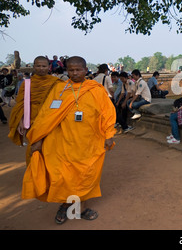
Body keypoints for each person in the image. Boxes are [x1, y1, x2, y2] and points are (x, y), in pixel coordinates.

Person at [22, 56, 116, 225]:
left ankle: (82, 208)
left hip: (89, 143)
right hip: (62, 142)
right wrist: (39, 138)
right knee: (63, 176)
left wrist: (109, 135)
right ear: (67, 70)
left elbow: (108, 113)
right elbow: (46, 115)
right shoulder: (59, 89)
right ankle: (65, 205)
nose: (74, 73)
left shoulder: (96, 89)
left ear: (85, 70)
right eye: (71, 70)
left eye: (78, 70)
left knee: (87, 175)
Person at [8, 56, 60, 164]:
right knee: (33, 150)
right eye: (38, 66)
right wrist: (20, 120)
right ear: (34, 67)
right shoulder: (26, 84)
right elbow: (20, 104)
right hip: (32, 121)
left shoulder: (56, 83)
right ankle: (33, 175)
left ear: (49, 67)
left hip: (51, 121)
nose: (41, 68)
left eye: (44, 66)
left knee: (51, 150)